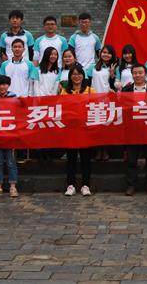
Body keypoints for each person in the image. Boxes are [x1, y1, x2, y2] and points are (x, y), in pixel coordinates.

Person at [122, 63, 147, 196]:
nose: (138, 75)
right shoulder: (126, 89)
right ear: (132, 74)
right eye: (135, 73)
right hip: (132, 128)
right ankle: (131, 185)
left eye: (140, 73)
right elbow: (123, 108)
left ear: (145, 74)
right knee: (131, 159)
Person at [60, 64, 95, 196]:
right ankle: (71, 185)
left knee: (86, 158)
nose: (76, 77)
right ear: (70, 76)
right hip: (71, 129)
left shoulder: (91, 91)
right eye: (74, 74)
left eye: (79, 74)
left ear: (83, 76)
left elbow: (95, 107)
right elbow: (61, 108)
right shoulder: (65, 91)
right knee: (71, 158)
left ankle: (86, 185)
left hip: (86, 129)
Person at [87, 44, 117, 161]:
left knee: (106, 127)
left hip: (107, 101)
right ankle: (97, 150)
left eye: (109, 53)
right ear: (100, 54)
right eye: (104, 52)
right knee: (96, 127)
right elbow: (88, 83)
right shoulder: (92, 67)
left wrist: (112, 74)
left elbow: (114, 86)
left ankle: (105, 150)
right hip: (94, 101)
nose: (106, 55)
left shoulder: (114, 67)